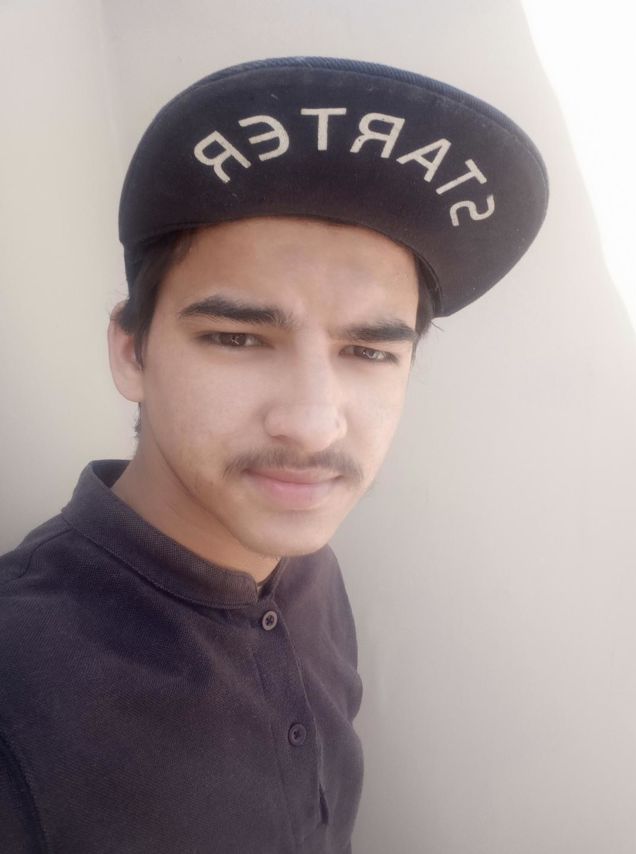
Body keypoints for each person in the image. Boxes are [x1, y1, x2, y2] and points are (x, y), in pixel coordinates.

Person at [0, 57, 548, 853]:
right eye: (236, 338)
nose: (314, 427)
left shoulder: (311, 566)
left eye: (369, 351)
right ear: (131, 351)